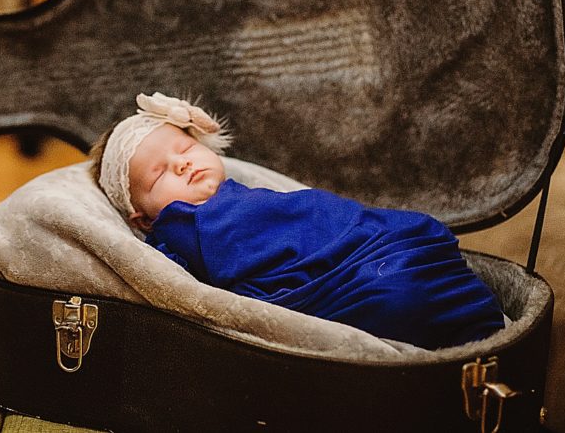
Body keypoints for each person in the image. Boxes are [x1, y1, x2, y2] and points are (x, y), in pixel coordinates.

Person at [89, 92, 506, 350]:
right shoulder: (178, 230)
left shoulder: (248, 192)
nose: (181, 164)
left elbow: (319, 216)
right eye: (159, 174)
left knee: (414, 239)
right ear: (142, 219)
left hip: (379, 244)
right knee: (395, 292)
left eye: (183, 147)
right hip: (354, 283)